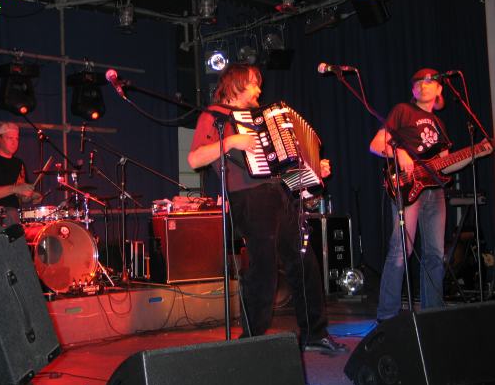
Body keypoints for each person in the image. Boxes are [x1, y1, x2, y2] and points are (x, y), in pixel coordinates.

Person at [187, 63, 346, 353]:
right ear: (236, 84)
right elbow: (195, 159)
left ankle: (314, 333)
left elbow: (282, 165)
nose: (259, 89)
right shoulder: (214, 116)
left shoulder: (260, 118)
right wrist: (231, 141)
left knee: (304, 262)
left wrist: (313, 170)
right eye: (253, 83)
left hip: (279, 194)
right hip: (248, 197)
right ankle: (252, 341)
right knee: (264, 268)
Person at [369, 68, 451, 321]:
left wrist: (477, 152)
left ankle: (432, 315)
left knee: (435, 254)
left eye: (429, 82)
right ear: (413, 89)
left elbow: (446, 164)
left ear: (439, 89)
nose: (424, 86)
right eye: (418, 83)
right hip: (408, 188)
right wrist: (399, 152)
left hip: (435, 191)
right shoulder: (403, 110)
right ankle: (387, 316)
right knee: (400, 250)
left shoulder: (439, 124)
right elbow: (376, 145)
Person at [0, 122, 42, 225]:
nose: (14, 142)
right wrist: (14, 188)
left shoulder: (18, 163)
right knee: (11, 213)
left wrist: (31, 195)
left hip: (13, 214)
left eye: (17, 139)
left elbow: (21, 196)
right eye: (10, 138)